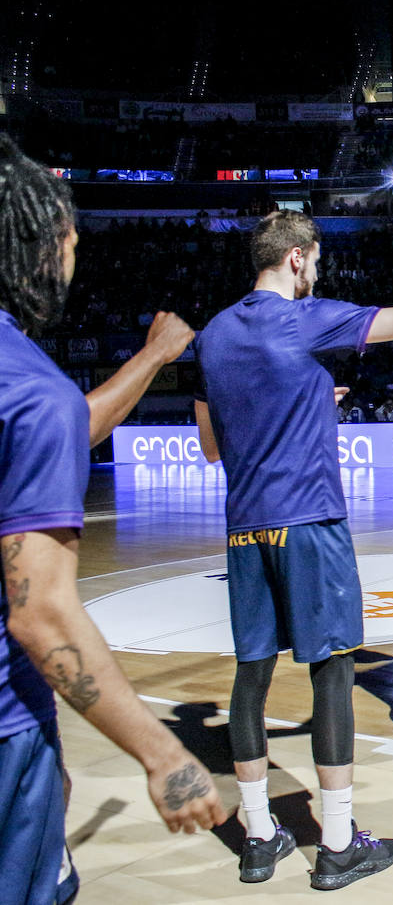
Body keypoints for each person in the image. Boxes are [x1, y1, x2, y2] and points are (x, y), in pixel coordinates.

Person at [195, 204, 393, 888]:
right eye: (317, 260)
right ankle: (336, 843)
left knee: (251, 675)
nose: (318, 271)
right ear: (297, 257)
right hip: (309, 524)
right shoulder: (303, 317)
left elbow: (213, 448)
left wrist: (303, 407)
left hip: (246, 529)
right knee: (331, 672)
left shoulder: (211, 335)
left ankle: (260, 836)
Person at [1, 134, 226, 905]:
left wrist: (152, 359)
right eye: (69, 239)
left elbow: (67, 428)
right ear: (34, 244)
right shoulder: (29, 387)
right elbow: (42, 616)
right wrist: (163, 754)